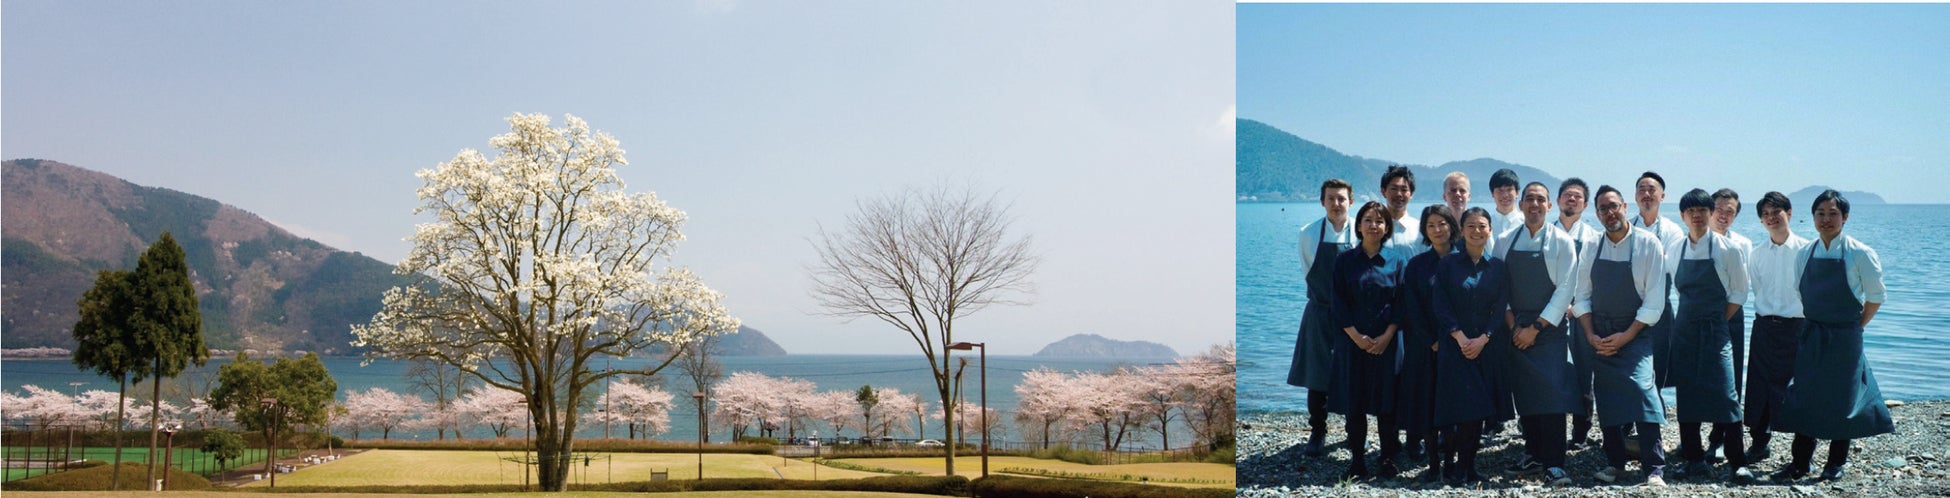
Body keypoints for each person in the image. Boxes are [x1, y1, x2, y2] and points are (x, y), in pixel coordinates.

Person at [1771, 189, 1894, 482]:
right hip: (1812, 333)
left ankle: (1835, 463)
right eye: (1820, 214)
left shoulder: (1859, 253)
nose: (1826, 220)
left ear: (1845, 217)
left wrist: (1855, 327)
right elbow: (1801, 293)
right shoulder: (1805, 253)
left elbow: (1876, 297)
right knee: (1805, 395)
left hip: (1846, 336)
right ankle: (1800, 463)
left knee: (1843, 398)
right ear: (1812, 217)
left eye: (1833, 214)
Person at [1574, 185, 1670, 487]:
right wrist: (1590, 335)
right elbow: (1582, 296)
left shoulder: (1648, 244)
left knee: (1643, 391)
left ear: (1625, 206)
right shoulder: (1591, 245)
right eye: (1603, 208)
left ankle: (1655, 467)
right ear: (1597, 213)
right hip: (1600, 332)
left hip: (1635, 331)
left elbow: (1655, 302)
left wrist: (1627, 336)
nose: (1609, 213)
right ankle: (1616, 463)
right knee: (1608, 398)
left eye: (1614, 206)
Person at [1492, 182, 1580, 487]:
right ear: (1521, 204)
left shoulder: (1562, 242)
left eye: (1540, 200)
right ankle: (1532, 452)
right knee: (1525, 393)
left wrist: (1536, 328)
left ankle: (1555, 462)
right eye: (1529, 199)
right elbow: (1498, 288)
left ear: (1549, 206)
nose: (1534, 204)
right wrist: (1514, 326)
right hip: (1515, 327)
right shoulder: (1504, 240)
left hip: (1550, 330)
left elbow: (1566, 290)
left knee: (1552, 393)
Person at [1664, 188, 1753, 481]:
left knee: (1726, 394)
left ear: (1711, 213)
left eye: (1703, 210)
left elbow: (1739, 292)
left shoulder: (1728, 249)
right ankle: (1693, 458)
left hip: (1716, 330)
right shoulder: (1675, 248)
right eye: (1691, 212)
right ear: (1683, 216)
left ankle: (1737, 460)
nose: (1698, 216)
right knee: (1687, 395)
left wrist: (1717, 319)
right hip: (1685, 330)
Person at [1329, 201, 1407, 480]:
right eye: (1368, 220)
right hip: (1353, 343)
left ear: (1387, 227)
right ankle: (1357, 460)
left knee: (1388, 403)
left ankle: (1387, 458)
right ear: (1359, 225)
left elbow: (1401, 303)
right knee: (1356, 403)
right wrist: (1355, 336)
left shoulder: (1397, 261)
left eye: (1379, 221)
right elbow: (1338, 302)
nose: (1374, 225)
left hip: (1388, 343)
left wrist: (1387, 336)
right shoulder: (1344, 261)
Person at [1432, 207, 1507, 487]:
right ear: (1462, 231)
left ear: (1490, 231)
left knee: (1477, 411)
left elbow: (1500, 309)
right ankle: (1452, 466)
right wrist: (1460, 337)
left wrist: (1484, 338)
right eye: (1471, 226)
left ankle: (1469, 467)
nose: (1477, 231)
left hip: (1486, 347)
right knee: (1457, 410)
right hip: (1456, 347)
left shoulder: (1498, 267)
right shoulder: (1448, 264)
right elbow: (1441, 304)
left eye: (1483, 226)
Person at [1287, 179, 1355, 458]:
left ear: (1350, 201)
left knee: (1353, 373)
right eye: (1331, 199)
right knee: (1317, 375)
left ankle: (1354, 430)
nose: (1336, 204)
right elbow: (1308, 270)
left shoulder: (1360, 231)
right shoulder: (1309, 233)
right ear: (1322, 202)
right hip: (1319, 311)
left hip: (1353, 314)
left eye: (1341, 198)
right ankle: (1318, 431)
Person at [1743, 191, 1810, 463]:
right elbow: (1759, 290)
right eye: (1766, 215)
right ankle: (1759, 443)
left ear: (1789, 213)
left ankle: (1802, 455)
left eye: (1776, 212)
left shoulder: (1807, 250)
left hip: (1799, 327)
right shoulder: (1757, 255)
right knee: (1758, 387)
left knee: (1801, 387)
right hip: (1764, 326)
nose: (1771, 218)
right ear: (1761, 220)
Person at [1398, 204, 1459, 483]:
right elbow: (1411, 309)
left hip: (1461, 345)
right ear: (1424, 230)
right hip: (1425, 346)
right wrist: (1432, 341)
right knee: (1428, 403)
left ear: (1452, 227)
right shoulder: (1417, 265)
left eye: (1442, 224)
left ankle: (1454, 460)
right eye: (1431, 225)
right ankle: (1433, 461)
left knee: (1456, 403)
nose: (1437, 230)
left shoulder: (1465, 260)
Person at [1706, 188, 1756, 462]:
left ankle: (1721, 438)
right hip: (1699, 317)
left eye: (1730, 211)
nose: (1723, 215)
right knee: (1701, 378)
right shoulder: (1694, 239)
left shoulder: (1743, 244)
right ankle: (1694, 438)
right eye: (1719, 209)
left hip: (1731, 316)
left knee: (1731, 379)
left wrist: (1723, 317)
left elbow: (1742, 288)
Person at [1556, 178, 1603, 450]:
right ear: (1558, 201)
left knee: (1583, 373)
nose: (1571, 200)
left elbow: (1596, 279)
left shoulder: (1594, 238)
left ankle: (1580, 431)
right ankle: (1539, 427)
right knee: (1547, 371)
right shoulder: (1545, 233)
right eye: (1567, 195)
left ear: (1585, 204)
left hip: (1582, 312)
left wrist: (1578, 305)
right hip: (1547, 313)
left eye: (1577, 196)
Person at [1630, 172, 1687, 389]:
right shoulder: (1626, 227)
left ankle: (1656, 414)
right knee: (1629, 363)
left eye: (1651, 190)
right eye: (1641, 189)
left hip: (1662, 307)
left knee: (1660, 365)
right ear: (1635, 196)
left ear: (1662, 196)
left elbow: (1672, 266)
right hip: (1628, 306)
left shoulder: (1672, 230)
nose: (1646, 194)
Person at [1382, 165, 1422, 250]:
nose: (1399, 194)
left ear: (1411, 194)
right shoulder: (1372, 228)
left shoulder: (1420, 229)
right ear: (1383, 191)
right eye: (1394, 189)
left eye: (1404, 190)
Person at [1489, 168, 1524, 240]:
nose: (1505, 195)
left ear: (1517, 192)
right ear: (1492, 193)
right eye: (1500, 190)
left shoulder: (1526, 223)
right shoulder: (1486, 223)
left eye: (1509, 190)